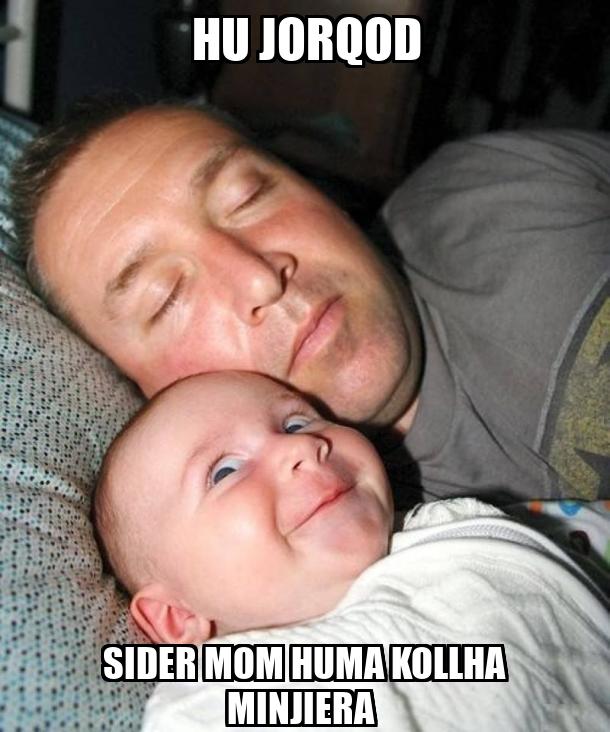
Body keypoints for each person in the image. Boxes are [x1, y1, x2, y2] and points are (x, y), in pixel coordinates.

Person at [10, 99, 610, 503]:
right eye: (165, 298)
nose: (260, 278)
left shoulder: (505, 188)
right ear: (141, 398)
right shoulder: (328, 605)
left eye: (248, 196)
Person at [94, 371, 609, 731]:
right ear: (177, 617)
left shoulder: (455, 524)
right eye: (224, 471)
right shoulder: (223, 699)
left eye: (297, 423)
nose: (301, 446)